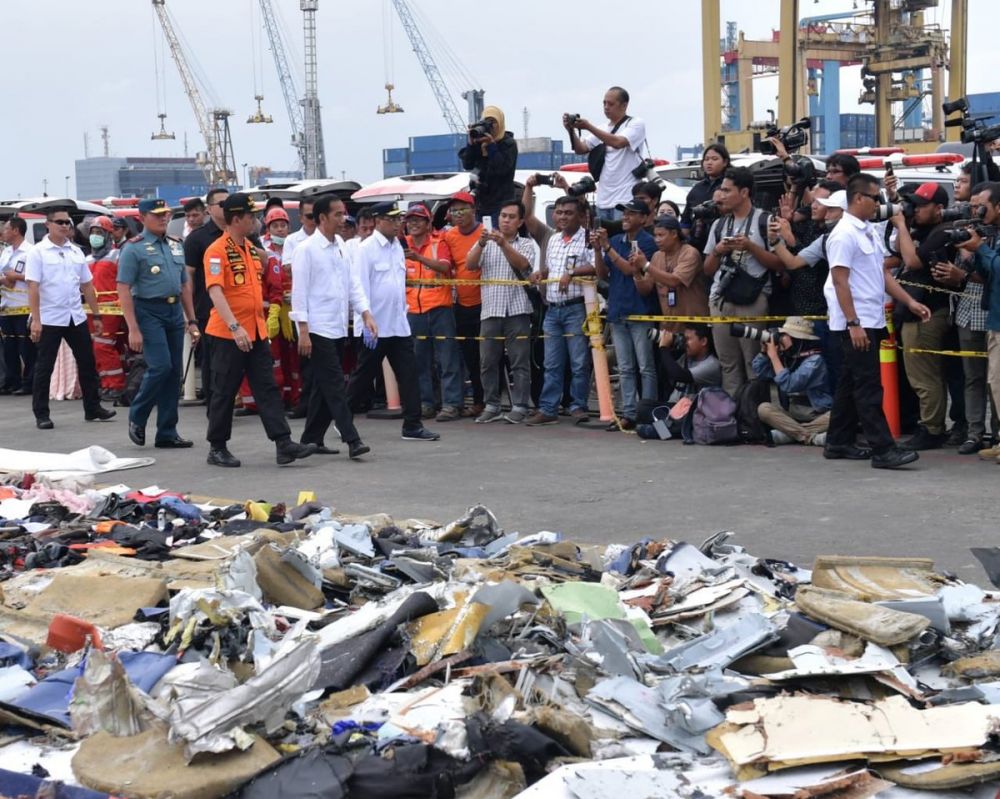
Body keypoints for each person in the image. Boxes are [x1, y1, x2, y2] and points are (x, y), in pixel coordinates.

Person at [823, 173, 931, 470]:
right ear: (858, 198)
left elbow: (881, 275)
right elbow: (840, 282)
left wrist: (908, 300)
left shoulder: (866, 230)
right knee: (869, 386)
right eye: (874, 198)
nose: (878, 204)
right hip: (855, 320)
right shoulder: (844, 234)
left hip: (869, 316)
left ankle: (838, 441)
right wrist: (853, 323)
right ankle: (883, 449)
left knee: (849, 382)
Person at [202, 193, 317, 467]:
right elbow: (215, 291)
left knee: (267, 387)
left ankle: (283, 442)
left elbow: (267, 265)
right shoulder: (216, 251)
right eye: (250, 217)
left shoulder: (249, 249)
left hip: (255, 331)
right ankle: (217, 447)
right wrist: (234, 326)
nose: (255, 221)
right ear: (237, 219)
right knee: (224, 391)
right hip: (227, 333)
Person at [346, 202, 440, 442]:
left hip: (398, 325)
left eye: (400, 219)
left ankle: (412, 425)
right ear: (379, 221)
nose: (399, 223)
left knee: (409, 375)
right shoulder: (365, 249)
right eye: (394, 219)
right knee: (362, 378)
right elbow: (358, 287)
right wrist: (365, 319)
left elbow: (398, 286)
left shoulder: (398, 246)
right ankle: (342, 418)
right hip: (375, 327)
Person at [291, 194, 376, 460]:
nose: (343, 219)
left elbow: (352, 283)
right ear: (322, 218)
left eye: (344, 213)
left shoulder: (340, 244)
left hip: (338, 325)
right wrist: (302, 330)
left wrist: (365, 312)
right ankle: (352, 438)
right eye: (337, 214)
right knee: (336, 384)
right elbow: (299, 293)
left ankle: (311, 439)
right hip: (317, 328)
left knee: (321, 385)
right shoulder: (306, 250)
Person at [116, 198, 200, 449]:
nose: (164, 218)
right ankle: (137, 415)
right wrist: (132, 327)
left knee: (174, 372)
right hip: (148, 310)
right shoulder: (133, 248)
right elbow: (123, 288)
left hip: (174, 310)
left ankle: (167, 431)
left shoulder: (176, 245)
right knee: (161, 366)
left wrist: (192, 319)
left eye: (166, 214)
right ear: (143, 218)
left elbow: (184, 285)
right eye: (157, 215)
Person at [25, 208, 116, 429]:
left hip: (75, 316)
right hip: (50, 317)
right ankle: (42, 413)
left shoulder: (76, 251)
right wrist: (36, 319)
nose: (65, 226)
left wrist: (95, 314)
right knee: (44, 367)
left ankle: (92, 407)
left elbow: (87, 285)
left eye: (68, 223)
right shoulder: (38, 252)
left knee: (87, 363)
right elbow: (33, 287)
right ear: (48, 224)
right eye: (60, 222)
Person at [703, 166, 784, 396]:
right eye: (721, 190)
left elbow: (780, 264)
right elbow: (707, 270)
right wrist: (718, 251)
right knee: (728, 364)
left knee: (753, 363)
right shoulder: (719, 225)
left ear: (745, 192)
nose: (722, 195)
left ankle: (754, 417)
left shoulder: (765, 221)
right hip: (721, 299)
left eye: (727, 191)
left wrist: (750, 247)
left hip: (753, 299)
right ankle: (732, 420)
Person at [895, 182, 957, 451]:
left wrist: (900, 224)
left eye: (922, 205)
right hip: (918, 311)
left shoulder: (942, 232)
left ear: (939, 208)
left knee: (924, 376)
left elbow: (912, 262)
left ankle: (932, 428)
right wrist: (904, 222)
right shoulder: (923, 229)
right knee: (919, 374)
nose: (916, 209)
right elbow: (900, 250)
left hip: (928, 312)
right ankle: (931, 425)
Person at [465, 199, 536, 424]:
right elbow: (470, 264)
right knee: (487, 361)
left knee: (519, 361)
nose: (505, 221)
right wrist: (482, 243)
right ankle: (492, 404)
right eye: (503, 216)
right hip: (490, 309)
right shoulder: (486, 241)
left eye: (511, 217)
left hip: (518, 309)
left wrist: (504, 244)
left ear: (520, 222)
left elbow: (524, 264)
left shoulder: (525, 243)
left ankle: (521, 405)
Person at [526, 196, 595, 426]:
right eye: (559, 212)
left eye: (568, 212)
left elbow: (597, 266)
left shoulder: (587, 238)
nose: (563, 216)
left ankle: (578, 406)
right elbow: (550, 268)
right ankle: (548, 408)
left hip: (575, 308)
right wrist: (541, 274)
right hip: (552, 309)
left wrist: (573, 272)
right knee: (551, 363)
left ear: (580, 216)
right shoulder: (554, 239)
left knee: (578, 362)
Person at [594, 198, 658, 430]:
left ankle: (648, 411)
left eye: (631, 213)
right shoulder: (614, 240)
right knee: (625, 367)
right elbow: (602, 274)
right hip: (618, 308)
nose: (625, 217)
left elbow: (632, 269)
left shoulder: (648, 243)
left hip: (640, 311)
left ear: (643, 218)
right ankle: (629, 412)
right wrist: (598, 250)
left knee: (645, 366)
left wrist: (608, 248)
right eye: (624, 213)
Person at [403, 204, 462, 421]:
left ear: (428, 224)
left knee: (447, 359)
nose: (414, 223)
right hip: (413, 310)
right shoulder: (402, 244)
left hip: (439, 308)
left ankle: (451, 404)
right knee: (418, 361)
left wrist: (419, 259)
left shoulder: (439, 242)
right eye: (410, 220)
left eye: (419, 219)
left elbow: (445, 267)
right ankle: (426, 403)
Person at [958, 183, 1000, 461]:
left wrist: (981, 250)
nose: (977, 212)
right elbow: (989, 274)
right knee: (994, 382)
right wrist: (972, 254)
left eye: (982, 206)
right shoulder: (991, 234)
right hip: (994, 319)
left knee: (997, 381)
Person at [564, 87, 647, 221]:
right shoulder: (602, 128)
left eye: (611, 104)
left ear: (624, 105)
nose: (606, 107)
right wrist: (570, 130)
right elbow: (581, 148)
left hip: (625, 199)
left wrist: (589, 126)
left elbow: (618, 142)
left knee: (621, 240)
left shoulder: (635, 123)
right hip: (603, 200)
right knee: (601, 241)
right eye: (604, 103)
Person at [751, 317, 832, 446]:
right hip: (791, 415)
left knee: (837, 415)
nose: (781, 338)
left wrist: (774, 357)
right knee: (763, 408)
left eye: (785, 336)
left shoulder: (815, 360)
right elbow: (759, 372)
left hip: (817, 415)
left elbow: (790, 385)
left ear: (798, 340)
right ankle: (809, 436)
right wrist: (765, 353)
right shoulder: (786, 358)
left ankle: (792, 434)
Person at [184, 187, 228, 411]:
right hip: (207, 309)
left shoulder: (242, 233)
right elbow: (188, 275)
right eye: (220, 203)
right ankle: (215, 407)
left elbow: (264, 259)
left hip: (239, 309)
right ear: (209, 209)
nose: (225, 207)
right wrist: (189, 312)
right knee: (213, 363)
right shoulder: (197, 239)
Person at [443, 191, 485, 416]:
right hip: (461, 305)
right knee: (469, 356)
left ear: (473, 210)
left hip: (487, 303)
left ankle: (488, 400)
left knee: (487, 356)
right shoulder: (449, 236)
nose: (458, 215)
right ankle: (478, 401)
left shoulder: (485, 232)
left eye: (462, 209)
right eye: (454, 211)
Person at [261, 205, 300, 410]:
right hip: (271, 311)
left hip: (292, 309)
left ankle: (295, 397)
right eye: (275, 226)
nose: (279, 229)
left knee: (293, 357)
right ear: (268, 228)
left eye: (283, 225)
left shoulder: (295, 246)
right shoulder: (263, 250)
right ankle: (277, 399)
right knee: (274, 358)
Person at [84, 216, 127, 400]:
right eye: (92, 232)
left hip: (111, 308)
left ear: (108, 235)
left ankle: (116, 385)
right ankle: (106, 384)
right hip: (92, 310)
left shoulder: (118, 256)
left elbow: (125, 282)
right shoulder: (87, 259)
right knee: (97, 348)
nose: (95, 236)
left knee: (103, 346)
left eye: (99, 232)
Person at [647, 214, 708, 336]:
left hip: (693, 328)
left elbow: (674, 281)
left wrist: (645, 266)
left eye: (661, 235)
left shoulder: (690, 253)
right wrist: (636, 271)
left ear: (674, 234)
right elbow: (645, 288)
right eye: (655, 235)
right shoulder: (656, 256)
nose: (656, 239)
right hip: (668, 328)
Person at [458, 105, 518, 223]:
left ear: (500, 123)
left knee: (495, 238)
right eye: (487, 121)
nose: (491, 126)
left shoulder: (508, 144)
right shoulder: (479, 142)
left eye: (493, 122)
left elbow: (502, 169)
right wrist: (471, 144)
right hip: (480, 203)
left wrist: (491, 146)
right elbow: (467, 165)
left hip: (501, 204)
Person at [0, 217, 35, 395]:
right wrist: (8, 278)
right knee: (9, 348)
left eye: (6, 229)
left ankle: (29, 383)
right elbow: (4, 276)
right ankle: (12, 381)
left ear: (15, 230)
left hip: (25, 306)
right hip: (6, 306)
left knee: (26, 347)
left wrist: (16, 277)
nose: (3, 232)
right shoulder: (5, 252)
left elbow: (35, 277)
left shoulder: (30, 252)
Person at [682, 143, 730, 252]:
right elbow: (686, 221)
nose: (709, 162)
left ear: (725, 162)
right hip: (697, 243)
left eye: (714, 159)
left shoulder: (731, 185)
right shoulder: (697, 188)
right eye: (706, 159)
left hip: (723, 241)